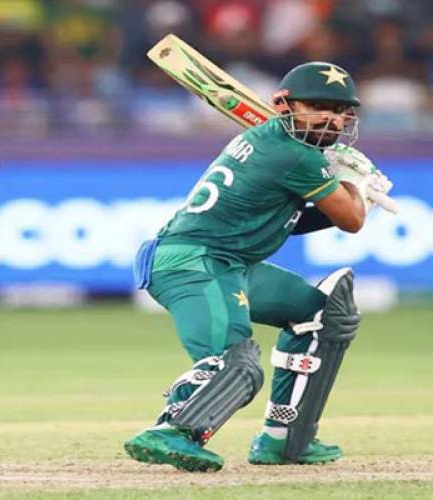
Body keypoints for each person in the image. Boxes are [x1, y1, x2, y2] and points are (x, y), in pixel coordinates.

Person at [124, 62, 394, 472]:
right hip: (195, 263)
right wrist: (358, 186)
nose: (333, 119)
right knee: (235, 363)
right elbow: (352, 220)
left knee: (322, 315)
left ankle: (284, 439)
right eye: (319, 107)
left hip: (232, 263)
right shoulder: (294, 155)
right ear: (284, 105)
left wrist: (346, 186)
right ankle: (172, 429)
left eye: (341, 111)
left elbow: (288, 219)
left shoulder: (278, 143)